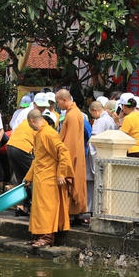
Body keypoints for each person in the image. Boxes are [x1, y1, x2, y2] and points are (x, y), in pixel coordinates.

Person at [23, 108, 74, 248]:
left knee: (47, 208)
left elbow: (63, 152)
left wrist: (61, 173)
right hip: (41, 176)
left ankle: (47, 237)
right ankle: (39, 235)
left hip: (49, 178)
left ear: (32, 121)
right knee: (38, 208)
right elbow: (38, 158)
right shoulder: (40, 134)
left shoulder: (49, 134)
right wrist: (29, 177)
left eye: (29, 124)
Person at [55, 89, 88, 221]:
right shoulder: (72, 113)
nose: (58, 105)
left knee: (72, 185)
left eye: (58, 102)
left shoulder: (73, 115)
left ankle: (73, 213)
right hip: (73, 155)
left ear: (64, 100)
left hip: (71, 156)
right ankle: (73, 213)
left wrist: (65, 165)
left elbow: (71, 142)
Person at [7, 103, 37, 216]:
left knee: (21, 179)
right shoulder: (40, 126)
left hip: (10, 147)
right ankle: (33, 205)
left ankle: (21, 206)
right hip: (22, 149)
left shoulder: (25, 122)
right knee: (32, 177)